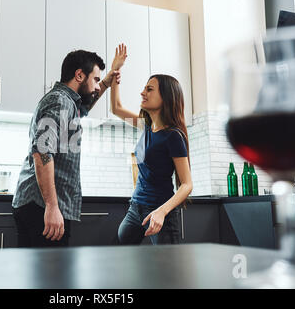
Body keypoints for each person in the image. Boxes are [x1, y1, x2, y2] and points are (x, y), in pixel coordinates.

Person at [12, 50, 120, 247]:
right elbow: (42, 151)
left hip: (37, 204)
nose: (97, 86)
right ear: (79, 75)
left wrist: (107, 80)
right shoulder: (60, 101)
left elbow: (85, 106)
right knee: (52, 275)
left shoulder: (68, 103)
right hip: (42, 206)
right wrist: (52, 206)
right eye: (95, 79)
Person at [110, 44, 193, 245]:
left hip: (159, 211)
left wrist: (161, 212)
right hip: (135, 208)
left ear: (166, 97)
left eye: (149, 89)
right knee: (123, 257)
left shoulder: (173, 136)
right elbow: (116, 108)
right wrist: (115, 71)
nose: (142, 92)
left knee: (168, 271)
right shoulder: (147, 126)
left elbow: (187, 185)